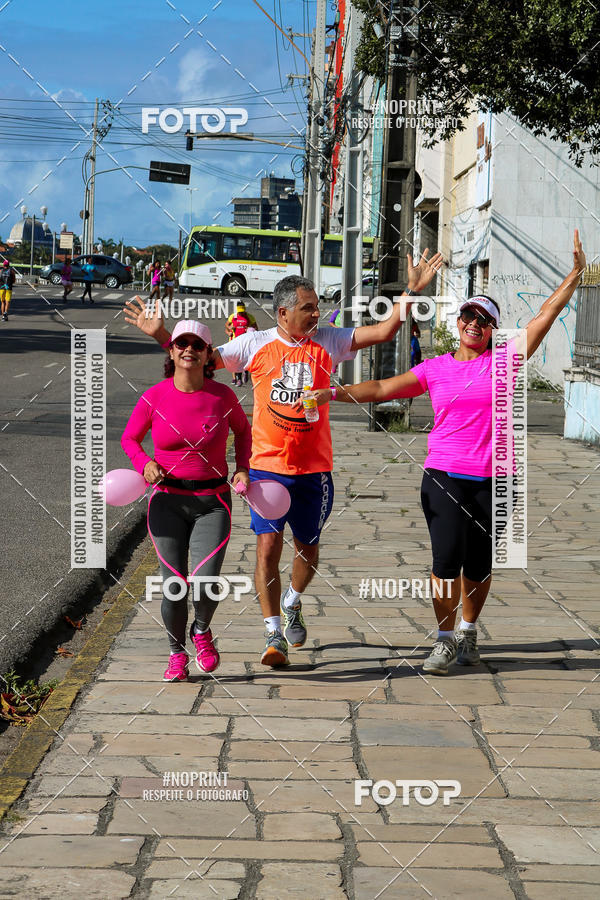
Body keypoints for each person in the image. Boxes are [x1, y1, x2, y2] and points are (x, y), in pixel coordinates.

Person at [125, 250, 443, 667]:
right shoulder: (254, 344)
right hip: (266, 469)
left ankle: (293, 601)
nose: (317, 314)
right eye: (309, 308)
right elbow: (195, 358)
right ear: (283, 312)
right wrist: (162, 335)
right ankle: (273, 632)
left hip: (315, 472)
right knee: (266, 548)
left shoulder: (328, 339)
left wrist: (411, 291)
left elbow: (383, 332)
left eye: (316, 308)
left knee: (307, 552)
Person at [309, 230, 586, 675]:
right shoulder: (436, 368)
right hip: (444, 475)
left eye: (484, 319)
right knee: (445, 559)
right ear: (457, 321)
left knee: (479, 564)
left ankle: (469, 631)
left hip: (495, 479)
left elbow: (544, 316)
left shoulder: (505, 361)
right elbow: (382, 388)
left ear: (493, 328)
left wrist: (574, 276)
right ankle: (442, 639)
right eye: (468, 316)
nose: (474, 323)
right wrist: (334, 393)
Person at [121, 320, 251, 682]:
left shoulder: (223, 397)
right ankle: (176, 653)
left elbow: (244, 432)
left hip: (212, 501)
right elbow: (130, 439)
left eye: (197, 344)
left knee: (206, 581)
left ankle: (202, 631)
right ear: (172, 350)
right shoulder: (154, 396)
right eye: (182, 343)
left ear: (209, 354)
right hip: (167, 502)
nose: (188, 349)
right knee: (174, 586)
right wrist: (144, 463)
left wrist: (243, 468)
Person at [225, 302, 256, 386]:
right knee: (236, 360)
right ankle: (238, 379)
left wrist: (249, 329)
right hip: (235, 341)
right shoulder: (233, 316)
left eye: (242, 311)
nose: (241, 313)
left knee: (244, 359)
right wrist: (229, 329)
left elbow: (256, 328)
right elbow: (227, 325)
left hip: (246, 342)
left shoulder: (249, 317)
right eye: (239, 311)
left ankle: (245, 372)